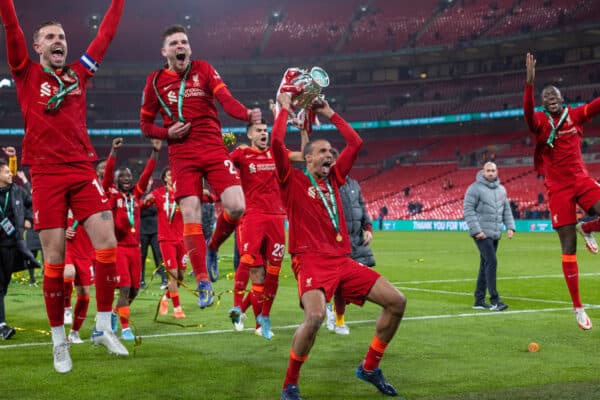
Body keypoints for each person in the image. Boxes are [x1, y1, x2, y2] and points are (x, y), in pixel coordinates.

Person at [0, 0, 128, 372]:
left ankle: (103, 327)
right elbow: (11, 28)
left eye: (63, 37)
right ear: (38, 46)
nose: (60, 41)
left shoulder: (78, 73)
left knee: (107, 242)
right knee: (54, 260)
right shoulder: (24, 72)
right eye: (51, 37)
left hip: (81, 167)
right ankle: (59, 341)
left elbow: (105, 35)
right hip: (45, 173)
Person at [273, 93, 406, 399]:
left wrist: (330, 112)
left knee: (397, 301)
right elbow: (277, 148)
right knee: (316, 317)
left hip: (342, 260)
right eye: (322, 151)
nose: (329, 154)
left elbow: (356, 143)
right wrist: (283, 110)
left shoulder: (336, 179)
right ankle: (290, 384)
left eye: (331, 151)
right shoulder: (291, 181)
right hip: (309, 260)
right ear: (307, 158)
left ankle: (370, 367)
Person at [140, 24, 261, 308]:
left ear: (189, 48)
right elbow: (145, 125)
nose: (180, 46)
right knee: (191, 213)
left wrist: (246, 114)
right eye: (174, 43)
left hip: (212, 146)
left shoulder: (204, 69)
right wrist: (166, 134)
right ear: (164, 51)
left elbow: (225, 99)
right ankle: (203, 280)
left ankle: (212, 247)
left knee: (236, 206)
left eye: (184, 42)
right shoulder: (155, 82)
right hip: (182, 155)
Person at [524, 52, 600, 330]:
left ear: (562, 98)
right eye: (546, 98)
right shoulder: (541, 124)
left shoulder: (576, 116)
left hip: (581, 180)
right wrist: (529, 85)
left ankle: (588, 227)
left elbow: (596, 104)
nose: (550, 99)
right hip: (558, 190)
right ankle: (578, 307)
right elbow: (527, 115)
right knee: (568, 247)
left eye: (553, 95)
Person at [227, 119, 304, 339]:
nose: (264, 133)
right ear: (250, 135)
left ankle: (261, 320)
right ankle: (236, 307)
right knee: (251, 264)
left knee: (272, 272)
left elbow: (303, 157)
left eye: (265, 130)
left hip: (277, 218)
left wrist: (303, 132)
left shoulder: (276, 153)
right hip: (252, 216)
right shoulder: (241, 155)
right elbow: (218, 167)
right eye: (259, 131)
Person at [102, 138, 160, 340]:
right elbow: (107, 175)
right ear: (117, 181)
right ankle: (125, 328)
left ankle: (114, 313)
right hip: (120, 249)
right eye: (122, 177)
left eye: (128, 176)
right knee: (125, 287)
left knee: (135, 290)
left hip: (136, 248)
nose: (126, 179)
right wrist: (113, 152)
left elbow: (147, 174)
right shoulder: (113, 196)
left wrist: (155, 152)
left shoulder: (135, 196)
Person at [325, 147, 376, 335]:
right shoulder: (329, 184)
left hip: (357, 240)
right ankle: (339, 320)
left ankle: (332, 310)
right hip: (339, 241)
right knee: (341, 284)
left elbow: (362, 207)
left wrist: (368, 228)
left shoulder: (354, 184)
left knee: (356, 283)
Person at [463, 161, 515, 311]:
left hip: (495, 233)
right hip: (481, 233)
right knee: (492, 262)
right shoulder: (474, 188)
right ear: (483, 172)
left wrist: (510, 227)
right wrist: (476, 230)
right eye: (488, 170)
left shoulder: (501, 189)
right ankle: (495, 300)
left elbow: (506, 210)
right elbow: (468, 210)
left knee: (485, 264)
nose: (491, 173)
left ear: (497, 172)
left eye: (493, 170)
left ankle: (479, 300)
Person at [145, 167, 187, 319]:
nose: (172, 176)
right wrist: (146, 199)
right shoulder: (158, 193)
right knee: (173, 274)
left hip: (183, 239)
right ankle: (177, 308)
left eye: (174, 173)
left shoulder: (183, 192)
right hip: (166, 239)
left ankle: (166, 298)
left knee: (181, 276)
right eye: (169, 174)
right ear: (164, 178)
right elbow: (142, 205)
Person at [0, 158, 34, 340]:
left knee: (4, 285)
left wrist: (29, 218)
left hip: (12, 245)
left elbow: (31, 202)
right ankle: (2, 326)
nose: (10, 174)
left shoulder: (15, 191)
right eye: (6, 172)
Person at [63, 213, 95, 344]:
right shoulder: (64, 200)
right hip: (68, 248)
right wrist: (63, 230)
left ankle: (74, 332)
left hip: (86, 251)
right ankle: (66, 308)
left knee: (84, 295)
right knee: (69, 273)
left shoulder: (91, 203)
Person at [139, 177, 167, 289]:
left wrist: (145, 208)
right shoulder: (138, 194)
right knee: (141, 256)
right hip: (142, 231)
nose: (147, 185)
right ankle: (140, 281)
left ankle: (165, 279)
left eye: (148, 182)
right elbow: (138, 210)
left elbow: (156, 209)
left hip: (156, 230)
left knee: (159, 255)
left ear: (151, 183)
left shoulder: (155, 195)